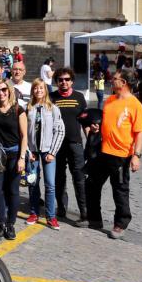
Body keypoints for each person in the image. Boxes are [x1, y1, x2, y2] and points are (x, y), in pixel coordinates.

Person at [86, 69, 142, 240]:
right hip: (102, 151)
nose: (112, 80)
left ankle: (120, 223)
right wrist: (97, 127)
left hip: (121, 155)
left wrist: (137, 155)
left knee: (119, 190)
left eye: (115, 78)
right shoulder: (109, 100)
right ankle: (95, 219)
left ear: (124, 82)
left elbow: (139, 133)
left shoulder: (135, 105)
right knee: (92, 184)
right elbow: (105, 123)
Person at [52, 66, 90, 226]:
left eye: (67, 79)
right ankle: (61, 208)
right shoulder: (51, 97)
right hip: (56, 145)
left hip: (75, 144)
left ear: (72, 81)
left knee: (79, 179)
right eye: (60, 80)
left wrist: (91, 142)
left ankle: (84, 213)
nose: (64, 82)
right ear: (56, 82)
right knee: (59, 178)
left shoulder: (79, 97)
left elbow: (85, 122)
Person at [0, 78, 27, 240]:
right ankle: (1, 223)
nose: (1, 93)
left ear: (9, 90)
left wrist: (22, 158)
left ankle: (11, 224)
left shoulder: (18, 109)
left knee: (12, 190)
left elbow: (24, 136)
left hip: (14, 154)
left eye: (4, 90)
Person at [25, 78, 65, 229]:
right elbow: (24, 132)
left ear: (45, 90)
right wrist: (28, 151)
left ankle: (51, 216)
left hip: (48, 151)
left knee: (50, 184)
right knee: (32, 182)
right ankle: (34, 212)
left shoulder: (52, 108)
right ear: (33, 90)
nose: (39, 91)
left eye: (41, 88)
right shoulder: (29, 108)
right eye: (36, 88)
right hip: (33, 152)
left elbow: (60, 131)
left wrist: (53, 152)